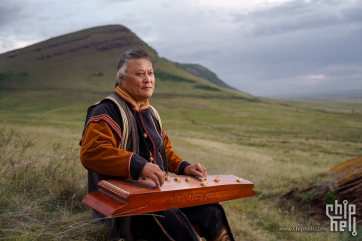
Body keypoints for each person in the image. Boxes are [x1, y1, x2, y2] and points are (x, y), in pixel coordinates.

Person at [80, 47, 234, 241]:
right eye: (139, 74)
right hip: (125, 208)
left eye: (150, 73)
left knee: (212, 211)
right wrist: (139, 165)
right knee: (174, 224)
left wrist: (184, 167)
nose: (148, 79)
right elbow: (92, 153)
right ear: (122, 79)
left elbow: (165, 152)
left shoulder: (151, 112)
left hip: (158, 198)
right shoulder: (106, 111)